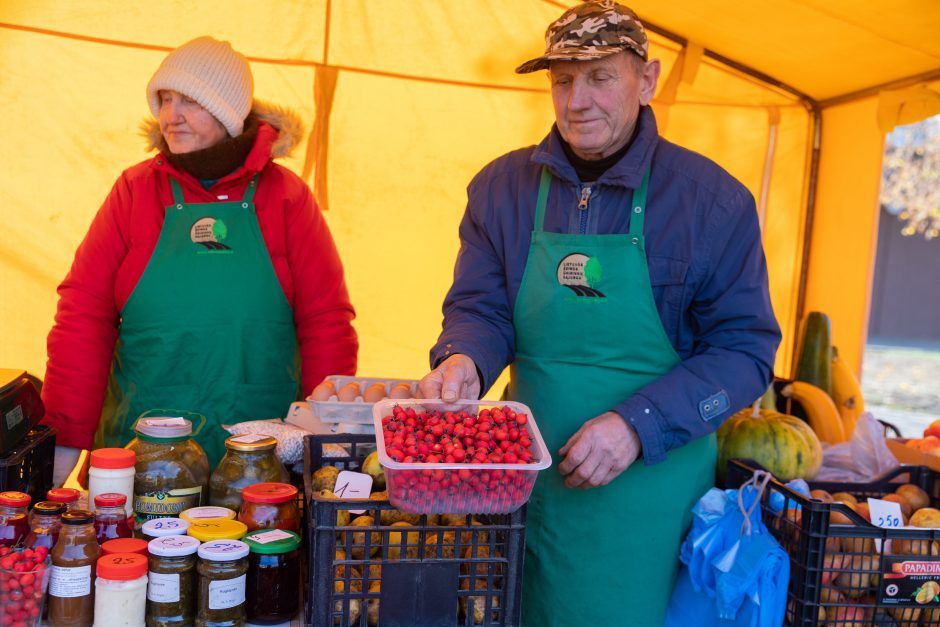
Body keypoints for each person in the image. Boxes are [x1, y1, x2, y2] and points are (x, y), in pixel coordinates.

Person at [418, 2, 781, 625]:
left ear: (648, 80)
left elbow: (746, 352)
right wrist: (464, 359)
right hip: (525, 489)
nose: (576, 100)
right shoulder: (500, 189)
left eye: (600, 76)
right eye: (562, 79)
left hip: (649, 501)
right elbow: (482, 308)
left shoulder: (712, 201)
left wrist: (639, 424)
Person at [43, 36, 358, 475]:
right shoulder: (135, 193)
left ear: (228, 110)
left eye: (189, 99)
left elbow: (326, 320)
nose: (171, 116)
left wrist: (327, 435)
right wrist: (65, 437)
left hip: (260, 457)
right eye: (165, 99)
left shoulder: (286, 198)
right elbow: (83, 314)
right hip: (142, 453)